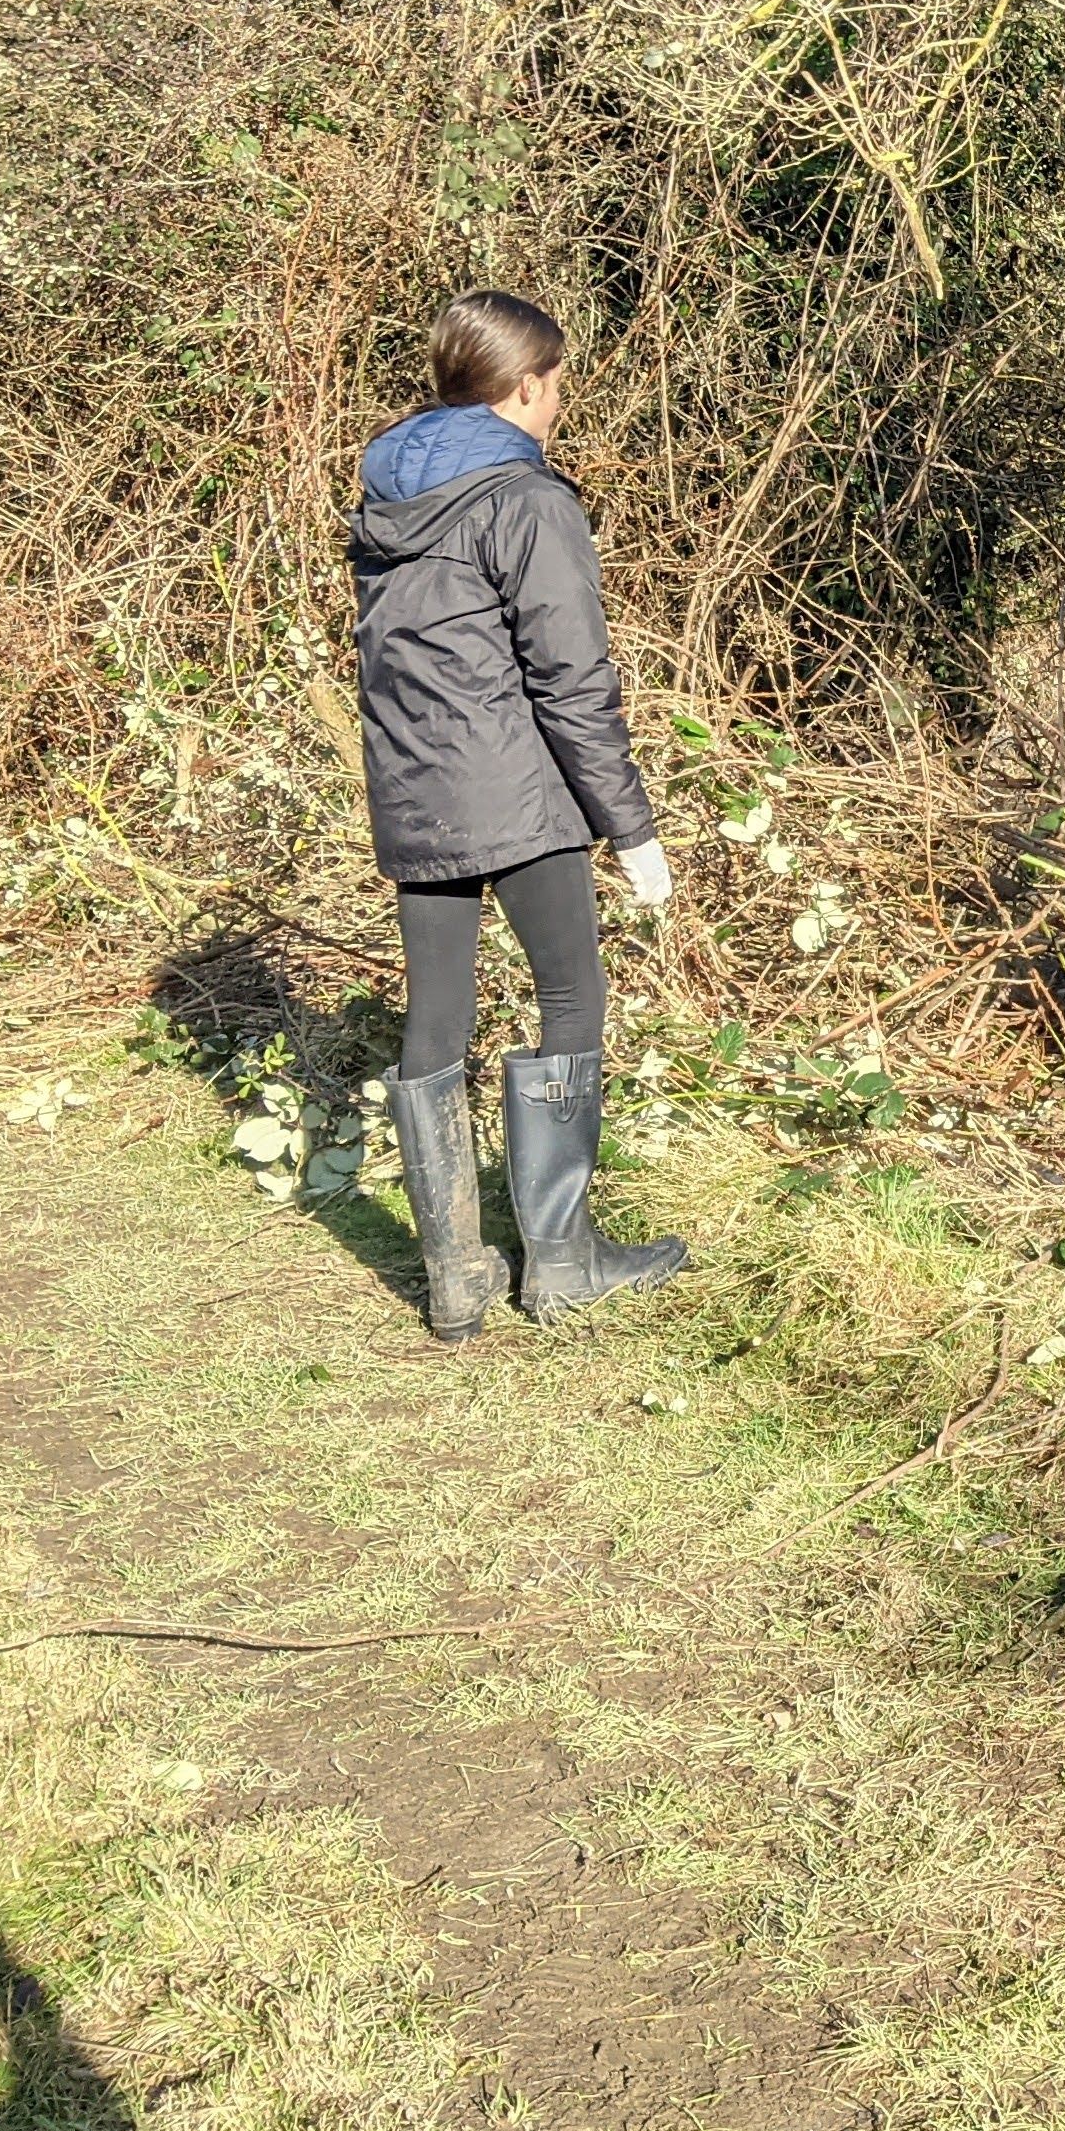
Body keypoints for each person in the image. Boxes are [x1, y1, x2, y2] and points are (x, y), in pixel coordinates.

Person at [349, 289, 687, 1344]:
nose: (560, 404)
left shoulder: (386, 492)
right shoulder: (527, 500)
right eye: (557, 385)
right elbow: (571, 680)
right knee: (571, 998)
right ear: (528, 384)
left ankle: (455, 1278)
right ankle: (564, 1261)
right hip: (520, 792)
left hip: (415, 790)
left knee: (435, 1018)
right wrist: (631, 828)